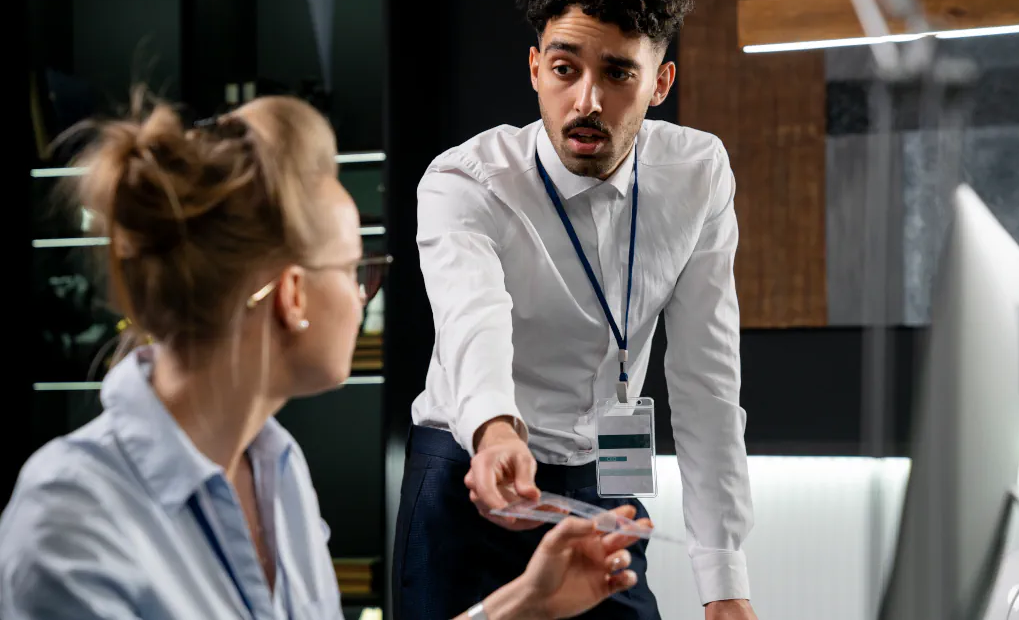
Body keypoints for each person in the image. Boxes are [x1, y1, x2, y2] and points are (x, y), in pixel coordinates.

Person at [0, 92, 647, 619]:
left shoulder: (275, 467)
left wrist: (522, 604)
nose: (367, 293)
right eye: (356, 269)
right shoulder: (71, 516)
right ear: (292, 295)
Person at [394, 0, 758, 619]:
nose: (587, 101)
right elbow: (473, 317)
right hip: (473, 472)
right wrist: (496, 432)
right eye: (565, 69)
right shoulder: (464, 180)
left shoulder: (698, 173)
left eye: (618, 73)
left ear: (660, 83)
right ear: (536, 68)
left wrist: (725, 585)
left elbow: (706, 379)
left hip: (603, 480)